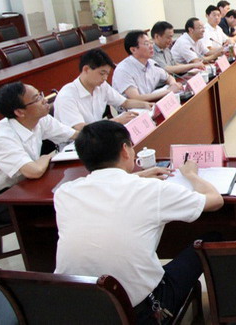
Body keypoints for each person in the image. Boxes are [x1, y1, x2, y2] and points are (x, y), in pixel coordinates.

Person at [54, 121, 224, 324]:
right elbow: (215, 200)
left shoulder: (64, 193)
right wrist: (191, 174)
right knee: (212, 239)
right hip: (139, 313)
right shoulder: (151, 190)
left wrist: (138, 175)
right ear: (124, 150)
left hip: (75, 311)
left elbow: (108, 185)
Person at [0, 82, 78, 222]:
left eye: (40, 94)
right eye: (37, 99)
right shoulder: (0, 138)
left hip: (26, 184)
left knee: (74, 193)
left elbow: (74, 134)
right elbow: (34, 171)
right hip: (0, 199)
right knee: (68, 207)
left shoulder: (40, 119)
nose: (44, 100)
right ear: (19, 112)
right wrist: (46, 157)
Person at [55, 49, 151, 128]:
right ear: (86, 69)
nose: (105, 78)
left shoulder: (101, 86)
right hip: (76, 142)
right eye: (102, 73)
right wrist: (117, 120)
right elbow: (81, 128)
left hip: (98, 135)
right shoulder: (67, 95)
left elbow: (125, 102)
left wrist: (146, 105)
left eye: (107, 74)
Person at [113, 31, 182, 102]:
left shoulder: (152, 63)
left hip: (150, 103)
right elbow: (136, 98)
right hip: (134, 108)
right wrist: (168, 91)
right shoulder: (123, 70)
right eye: (146, 44)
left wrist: (173, 85)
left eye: (151, 43)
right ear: (133, 50)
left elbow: (168, 77)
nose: (151, 46)